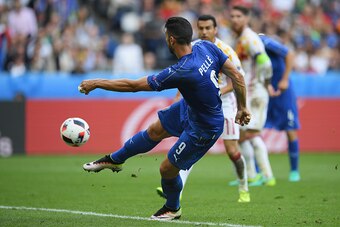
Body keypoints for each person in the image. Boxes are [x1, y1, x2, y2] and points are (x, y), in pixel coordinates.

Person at [79, 17, 250, 221]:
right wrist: (243, 107)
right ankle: (115, 160)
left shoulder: (181, 71)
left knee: (167, 169)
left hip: (205, 127)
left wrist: (97, 82)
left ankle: (173, 208)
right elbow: (238, 76)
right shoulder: (206, 46)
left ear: (171, 40)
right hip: (190, 108)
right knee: (154, 131)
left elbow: (133, 86)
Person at [156, 14, 250, 202]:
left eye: (208, 28)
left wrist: (218, 91)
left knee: (232, 152)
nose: (204, 32)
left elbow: (238, 79)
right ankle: (177, 193)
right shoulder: (194, 47)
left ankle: (243, 186)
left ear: (216, 30)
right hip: (200, 106)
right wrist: (177, 98)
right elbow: (185, 77)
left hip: (226, 105)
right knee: (188, 146)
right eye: (201, 28)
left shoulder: (225, 50)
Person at [229, 5, 275, 186]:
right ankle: (252, 175)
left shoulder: (250, 38)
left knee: (252, 135)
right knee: (241, 135)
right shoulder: (240, 38)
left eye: (238, 16)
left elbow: (265, 62)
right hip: (247, 91)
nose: (234, 19)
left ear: (246, 18)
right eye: (232, 16)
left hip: (255, 92)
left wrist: (266, 83)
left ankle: (267, 175)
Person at [260, 34, 301, 182]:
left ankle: (294, 171)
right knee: (255, 130)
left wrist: (284, 79)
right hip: (265, 91)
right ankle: (258, 173)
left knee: (290, 130)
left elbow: (289, 54)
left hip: (283, 92)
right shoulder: (246, 49)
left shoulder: (265, 42)